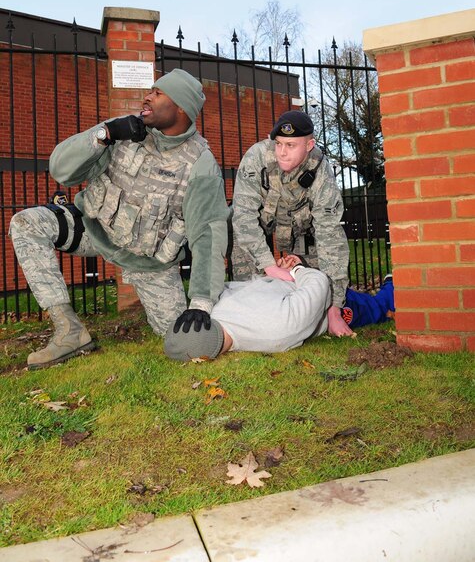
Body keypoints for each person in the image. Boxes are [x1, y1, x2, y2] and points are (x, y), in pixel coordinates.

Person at [9, 69, 230, 369]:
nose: (147, 97)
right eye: (150, 90)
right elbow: (60, 169)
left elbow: (209, 237)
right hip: (93, 228)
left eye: (158, 92)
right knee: (27, 223)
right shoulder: (123, 131)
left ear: (181, 107)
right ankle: (69, 330)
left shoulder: (201, 165)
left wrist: (201, 303)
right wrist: (105, 134)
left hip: (148, 262)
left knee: (182, 341)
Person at [231, 110, 352, 338]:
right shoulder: (257, 157)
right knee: (232, 230)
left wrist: (334, 307)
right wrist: (269, 265)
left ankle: (323, 309)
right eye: (278, 144)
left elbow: (329, 233)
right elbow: (244, 217)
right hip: (259, 226)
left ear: (309, 145)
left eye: (290, 145)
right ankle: (248, 311)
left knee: (323, 279)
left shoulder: (320, 171)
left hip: (303, 232)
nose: (282, 153)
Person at [164, 255, 395, 362]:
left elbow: (239, 288)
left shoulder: (211, 311)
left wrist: (277, 272)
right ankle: (391, 284)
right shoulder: (278, 328)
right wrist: (295, 271)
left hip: (285, 281)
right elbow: (320, 284)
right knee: (376, 307)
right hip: (319, 301)